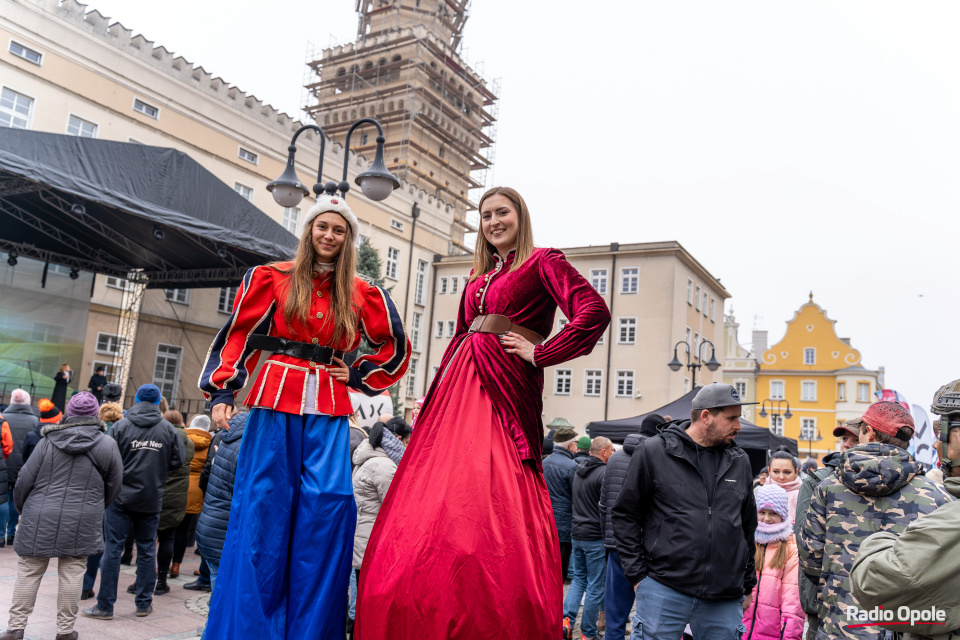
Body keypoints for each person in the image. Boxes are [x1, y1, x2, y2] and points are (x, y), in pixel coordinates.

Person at [356, 186, 610, 640]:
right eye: (486, 214)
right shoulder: (476, 278)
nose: (493, 221)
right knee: (439, 483)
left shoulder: (544, 261)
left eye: (502, 212)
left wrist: (543, 353)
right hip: (459, 382)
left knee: (492, 482)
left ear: (520, 216)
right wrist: (435, 391)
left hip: (506, 383)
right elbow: (457, 335)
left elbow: (593, 311)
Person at [198, 194, 410, 640]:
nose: (329, 235)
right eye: (322, 226)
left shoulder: (362, 293)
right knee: (263, 508)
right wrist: (223, 389)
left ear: (347, 237)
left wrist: (357, 373)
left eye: (338, 229)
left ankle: (309, 631)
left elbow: (394, 347)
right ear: (309, 230)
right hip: (275, 394)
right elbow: (237, 334)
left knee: (326, 509)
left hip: (330, 400)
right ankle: (252, 630)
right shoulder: (272, 277)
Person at [612, 383, 759, 639]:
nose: (738, 426)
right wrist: (639, 577)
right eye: (732, 418)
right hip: (664, 588)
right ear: (706, 416)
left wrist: (747, 583)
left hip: (724, 595)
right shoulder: (654, 452)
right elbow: (626, 514)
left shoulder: (739, 460)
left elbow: (747, 526)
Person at [797, 401, 953, 640]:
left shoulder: (827, 489)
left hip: (840, 625)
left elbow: (810, 560)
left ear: (868, 432)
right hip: (902, 627)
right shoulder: (937, 496)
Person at [1, 392, 122, 640]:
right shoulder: (107, 444)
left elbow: (24, 480)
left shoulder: (47, 441)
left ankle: (15, 627)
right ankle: (65, 631)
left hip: (40, 513)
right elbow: (114, 485)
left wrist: (25, 510)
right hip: (83, 517)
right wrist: (95, 507)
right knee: (73, 572)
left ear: (69, 412)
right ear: (94, 414)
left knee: (29, 570)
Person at [849, 380, 960, 639]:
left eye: (941, 431)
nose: (935, 445)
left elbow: (872, 585)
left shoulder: (825, 485)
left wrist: (882, 540)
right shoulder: (934, 492)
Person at [82, 384, 185, 620]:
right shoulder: (168, 430)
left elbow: (105, 458)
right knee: (147, 549)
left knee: (112, 550)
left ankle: (105, 606)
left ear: (136, 399)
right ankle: (143, 603)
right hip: (150, 497)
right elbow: (177, 461)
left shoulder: (120, 426)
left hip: (120, 497)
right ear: (159, 401)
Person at [793, 418, 860, 640]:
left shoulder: (882, 482)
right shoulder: (817, 481)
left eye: (855, 439)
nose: (847, 444)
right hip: (823, 595)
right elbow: (805, 540)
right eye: (844, 439)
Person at [599, 422, 659, 640]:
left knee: (615, 611)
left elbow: (603, 504)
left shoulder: (614, 459)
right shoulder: (657, 458)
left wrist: (607, 536)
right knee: (650, 611)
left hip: (616, 543)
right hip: (647, 544)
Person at [196, 411, 250, 640]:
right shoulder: (246, 448)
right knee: (223, 596)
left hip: (209, 524)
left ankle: (211, 627)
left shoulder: (225, 439)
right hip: (223, 530)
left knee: (219, 590)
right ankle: (213, 632)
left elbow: (205, 479)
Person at [351, 418, 411, 607]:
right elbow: (394, 506)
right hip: (372, 544)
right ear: (398, 439)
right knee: (366, 602)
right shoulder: (384, 466)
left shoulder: (369, 458)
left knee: (359, 597)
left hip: (362, 538)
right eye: (407, 443)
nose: (408, 447)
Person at [563, 436, 614, 640]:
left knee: (579, 580)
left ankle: (566, 621)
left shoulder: (579, 470)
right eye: (611, 451)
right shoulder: (603, 474)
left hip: (578, 533)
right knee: (594, 585)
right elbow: (605, 508)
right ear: (603, 452)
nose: (613, 455)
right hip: (594, 536)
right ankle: (588, 633)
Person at [138, 410, 193, 596]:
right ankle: (162, 581)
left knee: (148, 539)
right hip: (177, 497)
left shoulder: (161, 437)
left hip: (156, 493)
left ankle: (141, 579)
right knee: (168, 537)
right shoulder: (189, 442)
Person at [741, 484, 805, 640]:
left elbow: (793, 599)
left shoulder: (791, 547)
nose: (767, 518)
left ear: (783, 515)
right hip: (739, 628)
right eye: (761, 512)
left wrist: (789, 635)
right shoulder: (744, 539)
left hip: (772, 632)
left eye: (773, 513)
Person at [80, 401, 126, 600]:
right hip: (112, 494)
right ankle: (102, 588)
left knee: (90, 541)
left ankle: (85, 585)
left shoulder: (94, 436)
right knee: (107, 542)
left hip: (90, 493)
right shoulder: (122, 435)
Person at [177, 411, 212, 591]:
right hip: (197, 489)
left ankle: (170, 566)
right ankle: (193, 568)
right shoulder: (210, 444)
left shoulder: (182, 439)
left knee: (172, 530)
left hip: (179, 486)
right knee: (193, 529)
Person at [1, 389, 39, 547]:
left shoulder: (4, 419)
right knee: (15, 500)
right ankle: (11, 534)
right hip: (25, 468)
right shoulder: (35, 422)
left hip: (4, 465)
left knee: (4, 499)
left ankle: (1, 533)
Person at [544, 427, 579, 582]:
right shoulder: (571, 466)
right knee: (561, 565)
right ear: (570, 445)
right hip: (564, 520)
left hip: (546, 516)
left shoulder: (544, 462)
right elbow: (576, 495)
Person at [766, 449, 802, 524]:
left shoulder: (802, 496)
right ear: (769, 471)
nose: (781, 477)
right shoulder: (760, 493)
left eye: (787, 472)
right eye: (776, 472)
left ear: (796, 472)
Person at [21, 398, 62, 464]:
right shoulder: (61, 436)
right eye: (59, 419)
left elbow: (24, 457)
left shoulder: (31, 436)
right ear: (55, 421)